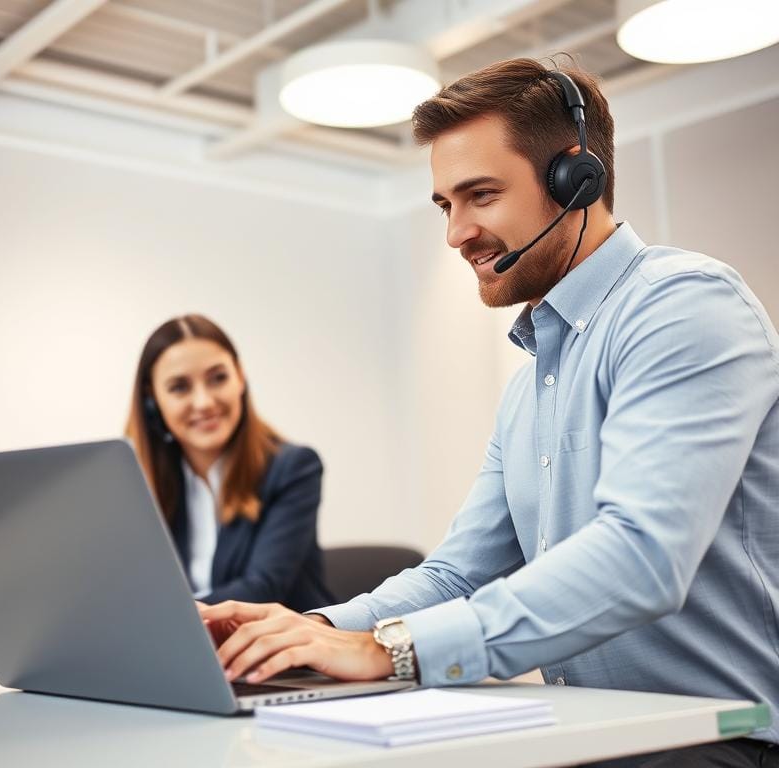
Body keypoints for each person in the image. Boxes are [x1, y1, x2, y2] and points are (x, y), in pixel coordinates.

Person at [198, 58, 779, 767]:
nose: (457, 233)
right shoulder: (531, 383)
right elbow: (456, 575)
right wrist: (306, 629)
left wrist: (391, 651)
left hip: (720, 742)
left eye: (480, 195)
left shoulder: (683, 306)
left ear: (577, 179)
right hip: (597, 738)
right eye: (446, 204)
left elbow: (641, 557)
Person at [125, 313, 332, 613]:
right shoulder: (143, 484)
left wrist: (162, 616)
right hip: (198, 653)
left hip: (285, 651)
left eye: (218, 378)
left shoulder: (294, 467)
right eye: (180, 387)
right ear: (151, 399)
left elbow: (262, 588)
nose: (204, 402)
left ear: (240, 377)